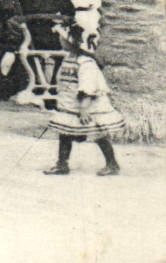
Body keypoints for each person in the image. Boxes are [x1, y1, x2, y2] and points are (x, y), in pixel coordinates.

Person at [44, 22, 123, 177]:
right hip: (71, 104)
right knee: (64, 131)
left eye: (63, 38)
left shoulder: (86, 63)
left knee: (98, 132)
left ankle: (112, 163)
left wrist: (84, 108)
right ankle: (62, 164)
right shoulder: (68, 59)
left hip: (87, 106)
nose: (61, 41)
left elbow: (88, 87)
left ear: (71, 42)